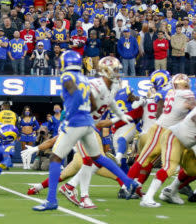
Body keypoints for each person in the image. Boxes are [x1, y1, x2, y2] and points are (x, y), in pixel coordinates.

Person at [33, 51, 138, 211]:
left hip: (76, 121)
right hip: (89, 123)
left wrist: (71, 113)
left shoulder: (68, 77)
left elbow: (74, 93)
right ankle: (129, 182)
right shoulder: (87, 79)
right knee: (98, 158)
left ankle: (52, 200)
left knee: (56, 158)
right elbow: (96, 104)